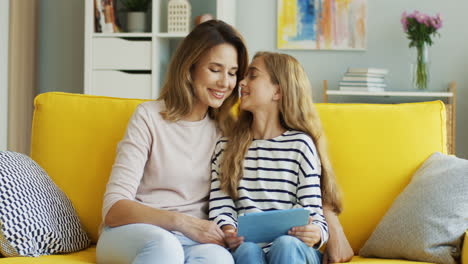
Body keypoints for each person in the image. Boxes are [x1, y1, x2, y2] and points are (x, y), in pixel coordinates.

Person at [95, 20, 248, 264]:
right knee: (165, 246)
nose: (225, 83)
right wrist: (182, 222)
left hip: (191, 241)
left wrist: (227, 231)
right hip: (132, 234)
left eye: (232, 73)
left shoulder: (226, 131)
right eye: (215, 69)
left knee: (220, 260)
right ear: (190, 67)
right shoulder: (148, 117)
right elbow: (114, 209)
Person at [209, 51, 346, 264]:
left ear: (277, 91)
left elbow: (314, 212)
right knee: (246, 251)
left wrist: (316, 233)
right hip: (248, 249)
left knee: (285, 245)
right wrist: (228, 231)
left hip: (293, 250)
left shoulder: (300, 145)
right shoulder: (225, 147)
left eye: (252, 76)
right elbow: (221, 206)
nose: (241, 82)